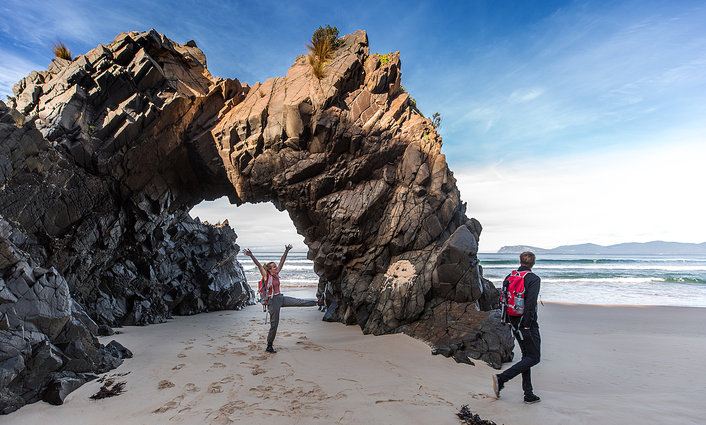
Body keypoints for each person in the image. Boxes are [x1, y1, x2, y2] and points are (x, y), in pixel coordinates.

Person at [493, 251, 542, 404]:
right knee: (534, 357)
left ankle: (528, 394)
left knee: (527, 356)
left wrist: (508, 320)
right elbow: (530, 305)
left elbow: (504, 299)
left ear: (520, 261)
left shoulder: (510, 277)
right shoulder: (533, 279)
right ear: (533, 263)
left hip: (513, 321)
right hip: (527, 324)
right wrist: (527, 325)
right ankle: (502, 378)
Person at [243, 245, 292, 353]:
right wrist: (251, 256)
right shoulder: (266, 276)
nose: (276, 267)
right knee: (274, 324)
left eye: (275, 266)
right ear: (269, 270)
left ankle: (318, 302)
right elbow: (259, 265)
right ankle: (269, 346)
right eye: (274, 267)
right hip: (272, 301)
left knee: (299, 302)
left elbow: (282, 261)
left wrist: (286, 251)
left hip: (280, 297)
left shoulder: (276, 274)